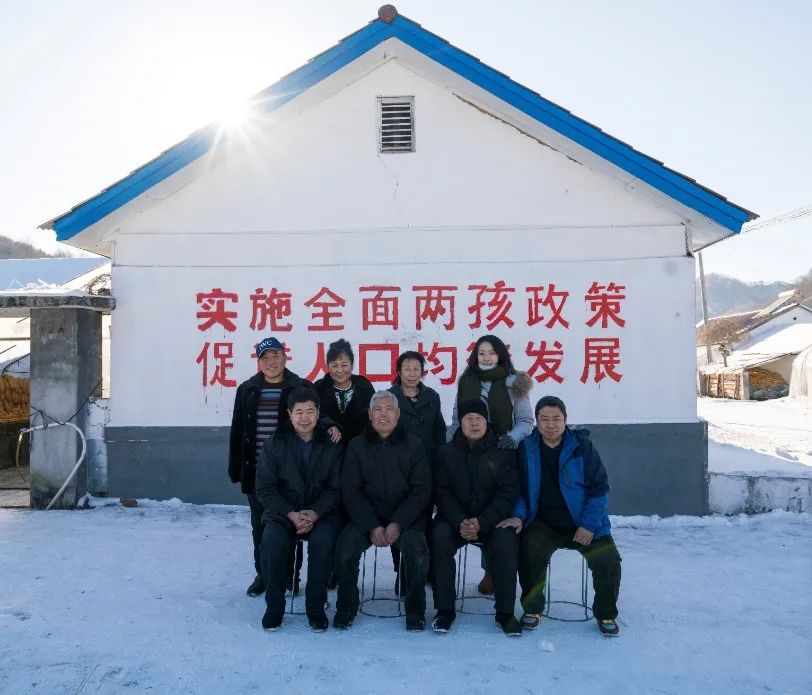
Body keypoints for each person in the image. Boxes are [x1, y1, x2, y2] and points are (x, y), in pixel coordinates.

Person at [497, 395, 622, 636]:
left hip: (583, 522)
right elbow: (519, 490)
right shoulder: (527, 448)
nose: (551, 425)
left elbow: (599, 487)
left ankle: (606, 613)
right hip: (545, 523)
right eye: (544, 419)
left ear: (565, 420)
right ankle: (532, 609)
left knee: (608, 560)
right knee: (529, 550)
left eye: (556, 419)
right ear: (537, 421)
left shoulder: (581, 446)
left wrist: (588, 525)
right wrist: (519, 516)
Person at [228, 336, 340, 598]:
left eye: (276, 356)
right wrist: (236, 469)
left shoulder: (300, 386)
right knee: (261, 527)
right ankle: (264, 575)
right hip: (257, 471)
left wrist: (331, 426)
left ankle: (289, 576)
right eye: (265, 358)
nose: (271, 362)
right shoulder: (247, 389)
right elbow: (238, 429)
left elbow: (316, 414)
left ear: (284, 357)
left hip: (292, 472)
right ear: (259, 362)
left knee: (291, 524)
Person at [333, 390, 431, 631]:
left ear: (398, 415)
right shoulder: (356, 446)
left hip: (405, 518)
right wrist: (372, 525)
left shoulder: (414, 445)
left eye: (389, 410)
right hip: (367, 518)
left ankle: (416, 610)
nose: (383, 415)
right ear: (370, 415)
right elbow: (351, 491)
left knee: (418, 552)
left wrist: (398, 522)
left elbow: (421, 491)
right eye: (378, 410)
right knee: (345, 549)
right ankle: (346, 607)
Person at [254, 388, 344, 632]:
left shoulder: (332, 444)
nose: (304, 418)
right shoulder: (275, 443)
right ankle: (274, 608)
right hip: (283, 513)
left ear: (318, 414)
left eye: (310, 412)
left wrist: (315, 513)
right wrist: (291, 513)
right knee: (271, 543)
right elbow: (265, 488)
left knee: (323, 542)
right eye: (299, 412)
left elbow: (336, 488)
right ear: (289, 414)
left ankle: (315, 608)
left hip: (322, 514)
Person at [431, 399, 522, 636]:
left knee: (506, 542)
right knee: (439, 537)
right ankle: (444, 610)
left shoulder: (503, 452)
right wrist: (460, 520)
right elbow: (442, 492)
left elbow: (507, 494)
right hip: (455, 520)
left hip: (492, 520)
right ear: (460, 423)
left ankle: (505, 613)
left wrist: (482, 522)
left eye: (479, 418)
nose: (474, 423)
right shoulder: (446, 453)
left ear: (486, 421)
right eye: (468, 419)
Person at [453, 334, 533, 594]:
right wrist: (454, 446)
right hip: (471, 453)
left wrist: (511, 438)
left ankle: (493, 571)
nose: (486, 358)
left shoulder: (514, 382)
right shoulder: (466, 380)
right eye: (482, 353)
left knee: (499, 511)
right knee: (477, 507)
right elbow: (456, 418)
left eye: (491, 353)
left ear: (500, 355)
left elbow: (526, 420)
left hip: (504, 453)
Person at [389, 350, 447, 594]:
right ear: (399, 371)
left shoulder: (432, 396)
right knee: (398, 518)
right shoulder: (390, 397)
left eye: (416, 369)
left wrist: (441, 459)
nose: (412, 374)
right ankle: (402, 571)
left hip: (428, 467)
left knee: (423, 519)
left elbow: (439, 430)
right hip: (397, 469)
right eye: (407, 369)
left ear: (422, 372)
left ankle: (424, 569)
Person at [312, 339, 375, 444]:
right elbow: (312, 414)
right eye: (334, 365)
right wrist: (328, 424)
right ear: (328, 366)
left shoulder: (364, 386)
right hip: (327, 447)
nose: (339, 370)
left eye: (344, 365)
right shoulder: (319, 387)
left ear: (352, 365)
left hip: (361, 447)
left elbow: (374, 415)